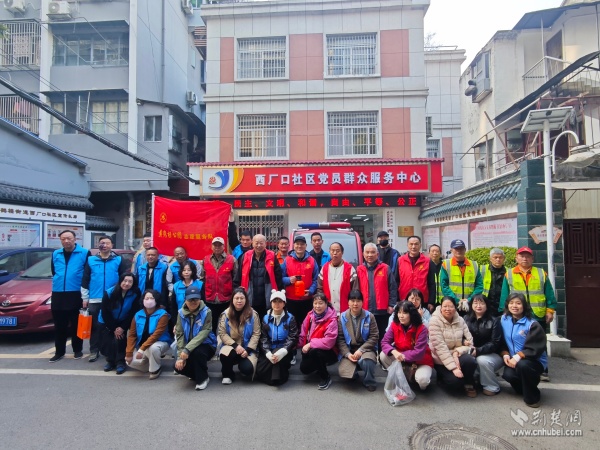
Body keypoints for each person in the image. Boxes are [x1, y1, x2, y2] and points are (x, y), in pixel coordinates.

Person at [500, 246, 556, 382]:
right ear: (516, 258)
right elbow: (505, 295)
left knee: (539, 343)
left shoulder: (541, 273)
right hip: (518, 314)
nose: (525, 258)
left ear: (532, 258)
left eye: (528, 256)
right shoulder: (509, 273)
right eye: (522, 256)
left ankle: (543, 370)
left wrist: (550, 310)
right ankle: (520, 365)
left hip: (537, 314)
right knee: (519, 341)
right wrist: (504, 312)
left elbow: (549, 292)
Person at [81, 236, 128, 362]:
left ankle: (110, 350)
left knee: (111, 325)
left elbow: (124, 278)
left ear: (112, 245)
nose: (105, 245)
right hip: (95, 299)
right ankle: (94, 350)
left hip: (112, 298)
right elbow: (85, 279)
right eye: (102, 243)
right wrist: (85, 297)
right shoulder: (91, 260)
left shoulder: (118, 260)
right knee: (95, 326)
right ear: (98, 245)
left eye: (107, 243)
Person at [49, 230, 91, 363]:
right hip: (58, 293)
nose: (66, 241)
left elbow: (87, 274)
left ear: (75, 239)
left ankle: (77, 350)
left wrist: (85, 295)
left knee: (76, 324)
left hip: (76, 292)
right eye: (63, 239)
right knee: (59, 325)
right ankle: (59, 352)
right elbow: (54, 271)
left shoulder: (84, 253)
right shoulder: (56, 254)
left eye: (69, 238)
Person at [500, 293, 548, 408]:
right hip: (514, 360)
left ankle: (533, 398)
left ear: (524, 306)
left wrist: (518, 357)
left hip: (533, 360)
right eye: (511, 303)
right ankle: (525, 388)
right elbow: (501, 340)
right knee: (508, 375)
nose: (514, 306)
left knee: (523, 366)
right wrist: (505, 354)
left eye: (518, 303)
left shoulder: (532, 324)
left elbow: (535, 347)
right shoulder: (504, 320)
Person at [429, 297, 478, 397]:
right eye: (445, 306)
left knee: (470, 361)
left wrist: (457, 352)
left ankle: (468, 382)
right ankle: (442, 379)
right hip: (441, 359)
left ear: (455, 308)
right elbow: (440, 348)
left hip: (458, 355)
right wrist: (454, 368)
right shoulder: (434, 321)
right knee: (455, 383)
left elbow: (470, 342)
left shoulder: (460, 320)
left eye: (451, 306)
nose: (448, 309)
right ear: (441, 308)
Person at [379, 301, 434, 391]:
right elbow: (384, 342)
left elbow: (419, 353)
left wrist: (401, 355)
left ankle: (416, 384)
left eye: (404, 313)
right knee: (383, 355)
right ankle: (401, 379)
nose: (401, 316)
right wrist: (394, 351)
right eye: (399, 312)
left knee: (422, 380)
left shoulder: (422, 329)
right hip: (401, 358)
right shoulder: (394, 325)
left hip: (421, 361)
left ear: (411, 314)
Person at [174, 286, 217, 390]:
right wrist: (180, 356)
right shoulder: (180, 313)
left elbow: (204, 332)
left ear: (200, 299)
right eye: (190, 299)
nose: (193, 302)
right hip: (188, 346)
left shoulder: (207, 311)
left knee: (197, 352)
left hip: (207, 344)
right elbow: (180, 334)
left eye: (196, 299)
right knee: (178, 367)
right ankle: (198, 373)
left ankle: (202, 379)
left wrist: (187, 349)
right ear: (185, 300)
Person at [98, 272, 141, 374]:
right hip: (107, 321)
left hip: (123, 320)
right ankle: (110, 361)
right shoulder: (109, 293)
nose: (127, 283)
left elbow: (133, 312)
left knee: (121, 341)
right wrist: (114, 328)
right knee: (108, 342)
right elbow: (105, 312)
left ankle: (120, 362)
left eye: (130, 282)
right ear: (120, 281)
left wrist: (122, 327)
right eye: (125, 281)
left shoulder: (135, 293)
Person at [337, 290, 379, 391]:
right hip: (350, 349)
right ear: (348, 302)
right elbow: (340, 339)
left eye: (358, 300)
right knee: (345, 374)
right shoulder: (342, 317)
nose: (355, 303)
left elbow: (374, 336)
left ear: (362, 302)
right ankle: (354, 372)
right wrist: (347, 354)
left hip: (366, 349)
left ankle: (369, 381)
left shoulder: (369, 316)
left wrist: (361, 350)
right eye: (352, 300)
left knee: (367, 361)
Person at [125, 290, 173, 379]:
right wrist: (129, 353)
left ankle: (155, 369)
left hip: (160, 342)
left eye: (152, 298)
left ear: (156, 300)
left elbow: (156, 334)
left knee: (153, 348)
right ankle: (151, 364)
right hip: (142, 346)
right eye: (146, 298)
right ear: (143, 300)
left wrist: (141, 350)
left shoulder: (163, 314)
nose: (149, 300)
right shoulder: (138, 315)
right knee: (129, 361)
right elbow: (132, 335)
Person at [235, 233, 283, 320]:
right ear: (252, 243)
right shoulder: (245, 256)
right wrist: (237, 291)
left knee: (266, 320)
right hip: (250, 296)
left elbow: (278, 276)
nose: (259, 245)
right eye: (256, 243)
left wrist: (279, 292)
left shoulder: (272, 256)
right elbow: (238, 275)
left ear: (265, 244)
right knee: (251, 321)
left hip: (267, 296)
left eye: (261, 243)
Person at [218, 287, 261, 384]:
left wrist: (248, 350)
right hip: (231, 346)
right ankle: (227, 374)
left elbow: (256, 333)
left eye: (242, 298)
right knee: (225, 354)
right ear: (232, 300)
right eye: (236, 298)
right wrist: (235, 346)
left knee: (247, 369)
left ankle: (243, 366)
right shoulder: (225, 314)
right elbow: (222, 333)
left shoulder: (253, 314)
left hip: (248, 347)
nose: (239, 301)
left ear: (246, 299)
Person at [356, 243, 397, 343]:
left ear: (377, 254)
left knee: (382, 336)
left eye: (372, 252)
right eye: (367, 252)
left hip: (382, 310)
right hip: (365, 310)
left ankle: (382, 353)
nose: (370, 255)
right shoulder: (359, 269)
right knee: (366, 337)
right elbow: (356, 290)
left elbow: (393, 288)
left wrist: (391, 305)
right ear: (363, 254)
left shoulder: (385, 268)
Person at [256, 290, 298, 386]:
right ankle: (278, 373)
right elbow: (263, 338)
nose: (277, 304)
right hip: (270, 349)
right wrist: (267, 353)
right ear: (271, 303)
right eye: (274, 301)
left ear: (284, 303)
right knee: (260, 370)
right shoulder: (266, 318)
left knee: (276, 359)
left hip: (285, 350)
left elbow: (293, 337)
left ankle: (276, 379)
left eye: (280, 301)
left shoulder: (290, 318)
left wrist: (283, 351)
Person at [464, 294, 503, 396]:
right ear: (471, 305)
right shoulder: (466, 319)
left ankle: (491, 386)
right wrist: (464, 341)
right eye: (475, 303)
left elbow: (495, 343)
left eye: (482, 303)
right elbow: (460, 335)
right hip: (471, 351)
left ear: (487, 305)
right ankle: (471, 382)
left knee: (482, 360)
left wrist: (478, 350)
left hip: (492, 354)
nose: (478, 306)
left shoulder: (494, 321)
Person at [298, 293, 338, 390]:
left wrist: (310, 344)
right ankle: (319, 366)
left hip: (330, 351)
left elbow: (329, 342)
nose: (317, 306)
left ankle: (325, 377)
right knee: (304, 369)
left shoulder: (332, 319)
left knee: (315, 352)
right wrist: (297, 346)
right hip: (312, 348)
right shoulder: (310, 315)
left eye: (320, 303)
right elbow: (303, 333)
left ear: (326, 304)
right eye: (315, 303)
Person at [282, 235, 319, 336]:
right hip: (291, 299)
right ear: (293, 245)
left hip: (306, 300)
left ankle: (305, 342)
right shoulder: (287, 260)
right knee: (291, 325)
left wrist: (311, 291)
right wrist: (289, 280)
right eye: (297, 244)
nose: (299, 246)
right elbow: (280, 278)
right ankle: (293, 342)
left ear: (306, 246)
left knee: (306, 325)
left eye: (302, 244)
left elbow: (316, 279)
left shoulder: (312, 260)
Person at [203, 237, 237, 335]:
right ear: (212, 246)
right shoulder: (206, 260)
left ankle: (225, 342)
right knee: (211, 324)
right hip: (210, 299)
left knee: (226, 324)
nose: (217, 247)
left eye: (219, 245)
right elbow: (202, 278)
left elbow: (236, 279)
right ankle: (212, 342)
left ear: (223, 246)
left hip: (226, 299)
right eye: (215, 245)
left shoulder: (232, 260)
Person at [440, 239, 483, 315]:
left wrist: (469, 300)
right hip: (452, 304)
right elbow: (444, 285)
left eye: (461, 248)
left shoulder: (474, 265)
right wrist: (456, 300)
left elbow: (479, 286)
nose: (459, 251)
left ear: (465, 249)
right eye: (456, 248)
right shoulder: (446, 264)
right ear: (451, 250)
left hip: (470, 304)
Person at [317, 242, 358, 314]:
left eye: (337, 251)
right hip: (328, 312)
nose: (335, 253)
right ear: (329, 252)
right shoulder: (324, 268)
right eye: (332, 251)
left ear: (342, 253)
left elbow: (355, 290)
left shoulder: (350, 269)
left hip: (346, 311)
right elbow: (319, 289)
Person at [397, 236, 436, 309]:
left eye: (416, 244)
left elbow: (432, 284)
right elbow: (396, 281)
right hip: (404, 298)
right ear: (407, 245)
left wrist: (431, 301)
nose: (413, 247)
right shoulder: (400, 260)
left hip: (422, 299)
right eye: (411, 244)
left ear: (420, 245)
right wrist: (396, 299)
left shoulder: (428, 261)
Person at [479, 248, 506, 317]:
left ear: (504, 259)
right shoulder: (482, 269)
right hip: (486, 304)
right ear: (490, 259)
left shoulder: (508, 272)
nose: (498, 259)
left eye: (500, 257)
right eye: (495, 257)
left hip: (502, 306)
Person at [428, 244, 443, 312]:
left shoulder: (445, 265)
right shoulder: (426, 265)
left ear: (440, 253)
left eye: (437, 251)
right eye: (433, 251)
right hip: (430, 300)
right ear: (429, 253)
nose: (435, 253)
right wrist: (430, 301)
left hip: (443, 299)